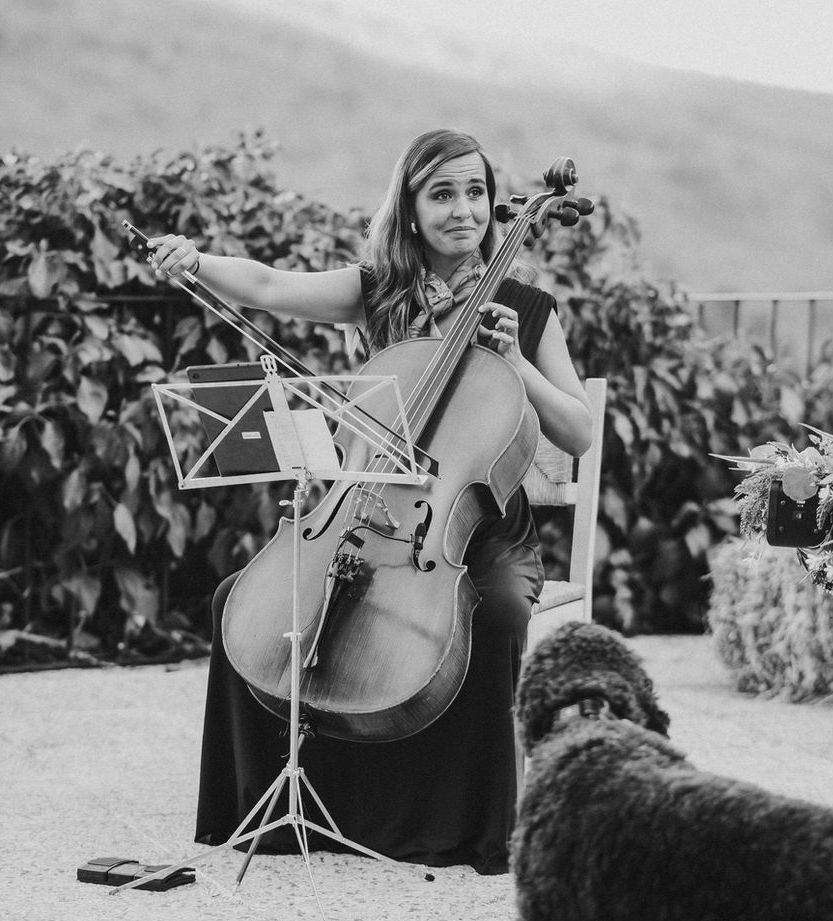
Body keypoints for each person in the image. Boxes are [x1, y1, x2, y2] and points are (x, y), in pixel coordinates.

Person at [147, 128, 593, 875]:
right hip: (369, 517)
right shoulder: (377, 292)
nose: (463, 209)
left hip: (475, 535)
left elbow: (577, 429)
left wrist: (516, 361)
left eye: (476, 191)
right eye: (441, 193)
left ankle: (470, 827)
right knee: (242, 596)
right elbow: (264, 285)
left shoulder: (526, 307)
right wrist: (195, 261)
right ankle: (282, 809)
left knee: (501, 615)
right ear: (410, 209)